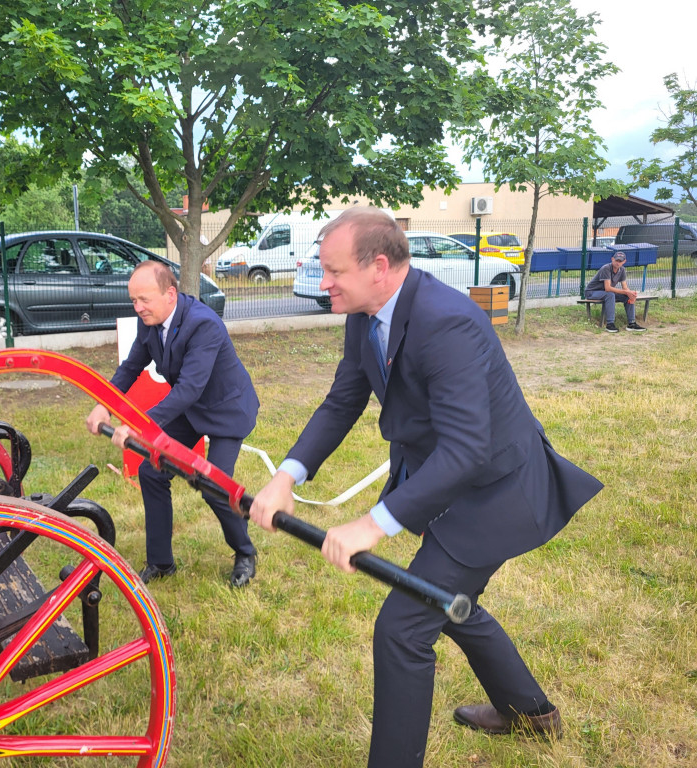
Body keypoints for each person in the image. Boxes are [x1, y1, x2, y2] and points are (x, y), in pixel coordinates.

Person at [248, 207, 603, 768]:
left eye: (334, 270)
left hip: (495, 493)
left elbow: (467, 449)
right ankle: (530, 712)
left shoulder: (447, 320)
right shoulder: (365, 312)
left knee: (403, 628)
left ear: (380, 267)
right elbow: (344, 399)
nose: (324, 282)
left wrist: (372, 523)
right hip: (446, 483)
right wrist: (285, 476)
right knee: (447, 603)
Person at [86, 260, 260, 587]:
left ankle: (245, 551)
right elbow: (130, 368)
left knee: (215, 487)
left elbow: (189, 388)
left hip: (226, 410)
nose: (138, 308)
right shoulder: (150, 322)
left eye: (144, 300)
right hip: (190, 410)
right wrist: (103, 406)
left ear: (170, 293)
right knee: (151, 471)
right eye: (133, 301)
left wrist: (138, 426)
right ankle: (161, 562)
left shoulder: (203, 324)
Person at [584, 251, 645, 333]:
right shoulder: (606, 268)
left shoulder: (622, 270)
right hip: (592, 292)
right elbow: (608, 288)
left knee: (627, 296)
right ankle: (610, 324)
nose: (618, 263)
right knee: (610, 294)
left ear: (624, 262)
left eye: (620, 261)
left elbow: (625, 287)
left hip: (604, 293)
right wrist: (626, 292)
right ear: (612, 259)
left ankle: (632, 324)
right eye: (616, 260)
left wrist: (631, 294)